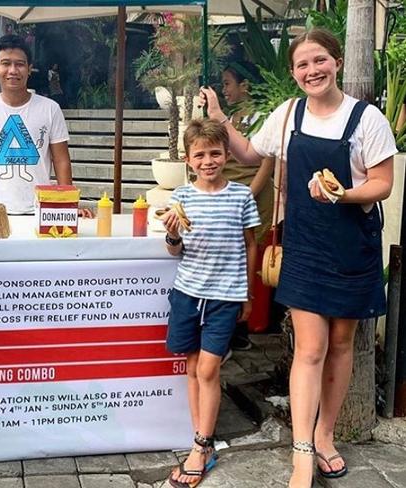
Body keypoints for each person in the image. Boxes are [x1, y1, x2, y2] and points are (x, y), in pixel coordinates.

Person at [200, 28, 396, 488]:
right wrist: (220, 119)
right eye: (303, 64)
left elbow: (382, 183)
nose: (312, 70)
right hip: (305, 244)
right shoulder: (287, 115)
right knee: (311, 349)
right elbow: (249, 153)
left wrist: (342, 193)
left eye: (320, 60)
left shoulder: (367, 119)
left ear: (337, 62)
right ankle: (303, 450)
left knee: (342, 344)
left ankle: (326, 436)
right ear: (293, 73)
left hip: (352, 243)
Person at [163, 119, 260, 488]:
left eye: (215, 153)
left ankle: (202, 445)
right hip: (188, 292)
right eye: (200, 154)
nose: (208, 160)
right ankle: (199, 440)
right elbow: (175, 250)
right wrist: (172, 234)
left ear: (226, 155)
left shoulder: (240, 196)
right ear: (188, 160)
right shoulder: (181, 198)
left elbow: (251, 244)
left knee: (208, 370)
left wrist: (247, 294)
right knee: (191, 368)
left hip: (224, 297)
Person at [0, 34, 91, 217]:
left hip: (39, 210)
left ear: (30, 69)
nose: (13, 70)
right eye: (6, 63)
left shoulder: (50, 109)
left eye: (20, 64)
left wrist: (68, 206)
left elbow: (61, 160)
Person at [220, 63, 275, 355]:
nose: (224, 90)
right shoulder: (228, 118)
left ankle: (242, 326)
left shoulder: (261, 118)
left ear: (246, 87)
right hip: (228, 199)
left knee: (247, 258)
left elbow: (267, 162)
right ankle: (232, 327)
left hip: (251, 198)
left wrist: (246, 196)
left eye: (228, 83)